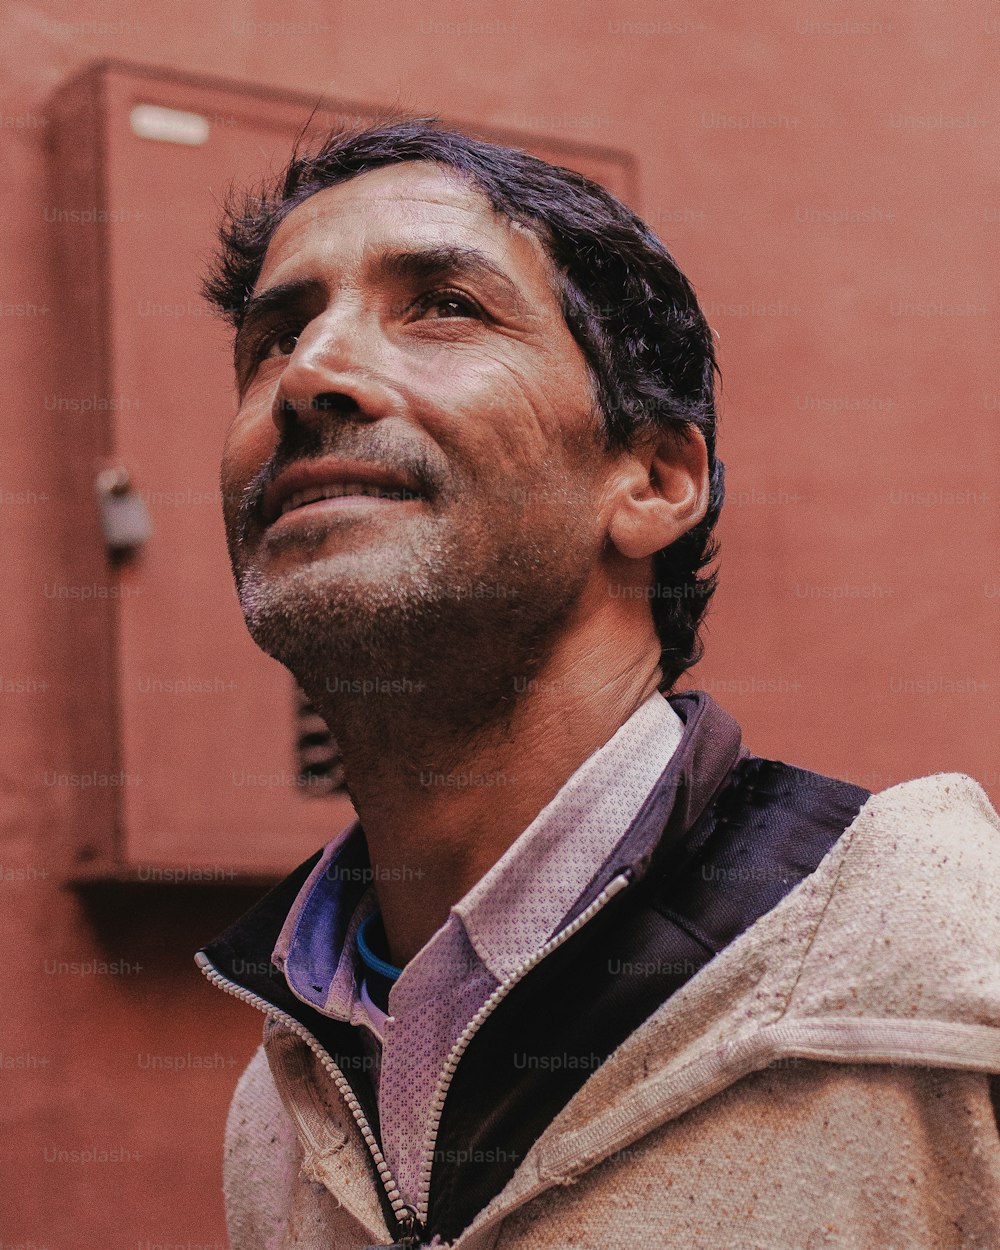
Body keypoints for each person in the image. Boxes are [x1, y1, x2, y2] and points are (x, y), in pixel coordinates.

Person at [195, 119, 1000, 1249]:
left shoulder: (947, 961)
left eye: (442, 305)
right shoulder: (278, 1104)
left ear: (656, 479)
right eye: (273, 337)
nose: (310, 373)